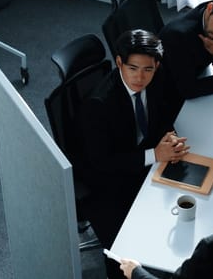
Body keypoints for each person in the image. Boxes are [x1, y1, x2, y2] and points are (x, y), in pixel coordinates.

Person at [78, 30, 190, 275]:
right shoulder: (98, 104)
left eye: (147, 70)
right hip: (108, 181)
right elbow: (101, 162)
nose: (140, 77)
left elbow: (161, 113)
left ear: (156, 66)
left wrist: (168, 137)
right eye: (132, 68)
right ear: (119, 62)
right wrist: (155, 154)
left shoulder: (155, 79)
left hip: (141, 157)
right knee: (126, 253)